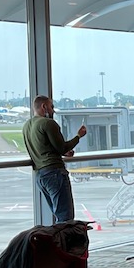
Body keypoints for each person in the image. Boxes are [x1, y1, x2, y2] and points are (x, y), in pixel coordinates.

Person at [22, 95, 87, 224]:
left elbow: (44, 147)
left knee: (58, 214)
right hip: (54, 173)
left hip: (40, 175)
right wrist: (78, 136)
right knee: (65, 218)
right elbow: (62, 147)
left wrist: (61, 152)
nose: (53, 110)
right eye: (51, 107)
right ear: (44, 107)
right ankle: (63, 243)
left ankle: (57, 242)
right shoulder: (48, 123)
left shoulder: (27, 126)